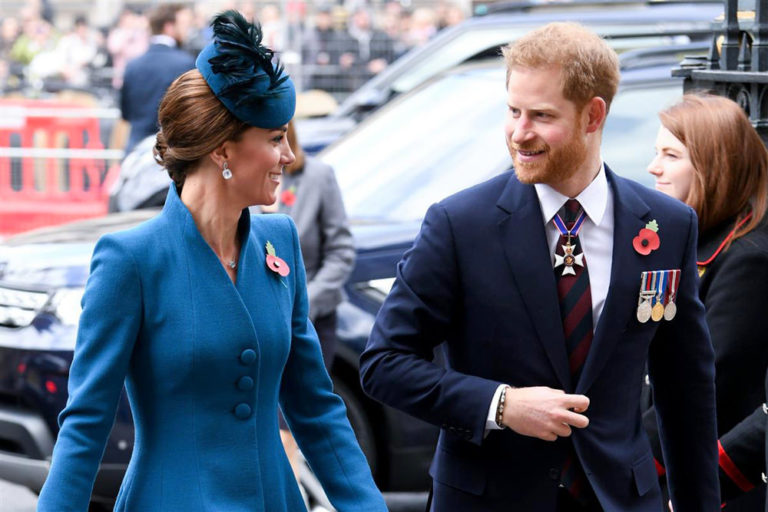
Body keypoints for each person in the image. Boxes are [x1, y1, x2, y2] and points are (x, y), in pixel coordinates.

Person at [36, 10, 387, 512]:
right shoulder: (130, 261)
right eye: (273, 139)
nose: (288, 155)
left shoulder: (280, 242)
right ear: (223, 152)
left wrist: (367, 508)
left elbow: (314, 405)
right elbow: (86, 425)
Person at [360, 22, 719, 511]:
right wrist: (501, 405)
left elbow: (686, 391)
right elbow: (384, 364)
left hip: (619, 498)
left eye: (541, 115)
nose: (519, 133)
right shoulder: (459, 224)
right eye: (513, 111)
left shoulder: (667, 226)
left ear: (594, 115)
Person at [644, 93, 768, 510]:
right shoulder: (683, 241)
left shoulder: (747, 260)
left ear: (714, 167)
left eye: (670, 154)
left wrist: (629, 461)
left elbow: (705, 387)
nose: (653, 167)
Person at [266, 119, 356, 477]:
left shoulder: (317, 177)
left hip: (311, 322)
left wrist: (304, 303)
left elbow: (341, 252)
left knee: (291, 426)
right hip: (261, 325)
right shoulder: (240, 182)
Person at [120, 3, 194, 155]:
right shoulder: (185, 63)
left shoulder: (132, 65)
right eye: (184, 24)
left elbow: (126, 113)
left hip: (135, 150)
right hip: (169, 152)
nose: (187, 30)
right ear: (169, 26)